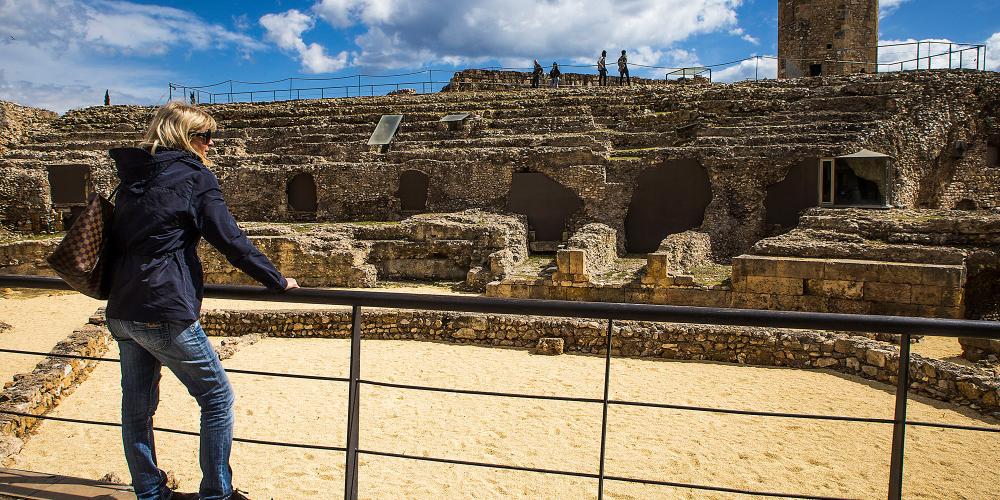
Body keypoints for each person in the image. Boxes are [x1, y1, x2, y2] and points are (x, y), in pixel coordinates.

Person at [105, 101, 299, 500]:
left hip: (122, 307)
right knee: (216, 398)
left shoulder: (130, 176)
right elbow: (229, 239)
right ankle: (217, 493)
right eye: (205, 136)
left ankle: (150, 493)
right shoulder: (193, 176)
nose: (210, 145)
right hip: (163, 306)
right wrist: (276, 279)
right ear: (187, 137)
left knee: (136, 410)